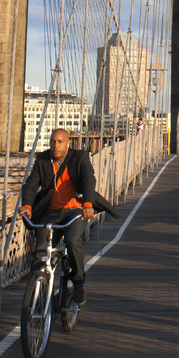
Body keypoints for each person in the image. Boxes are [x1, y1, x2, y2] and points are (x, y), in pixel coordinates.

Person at [19, 128, 117, 308]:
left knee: (72, 241)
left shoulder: (79, 157)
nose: (55, 146)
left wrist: (88, 203)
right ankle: (37, 298)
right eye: (52, 142)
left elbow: (88, 178)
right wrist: (27, 205)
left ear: (68, 143)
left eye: (60, 142)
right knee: (41, 251)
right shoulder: (43, 159)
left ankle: (78, 282)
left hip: (75, 211)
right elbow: (31, 185)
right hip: (51, 212)